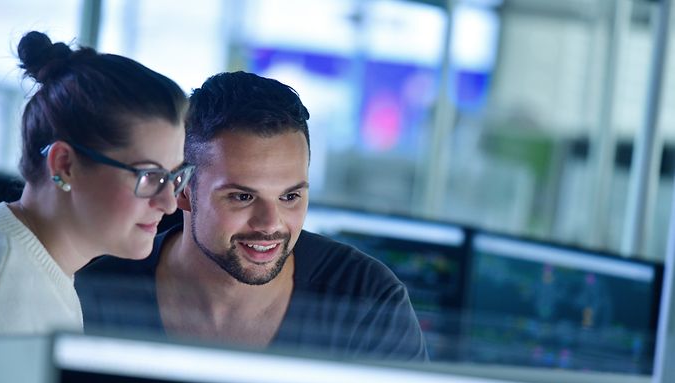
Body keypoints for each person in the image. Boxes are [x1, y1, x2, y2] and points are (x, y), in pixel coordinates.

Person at [76, 71, 428, 361]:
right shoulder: (97, 288)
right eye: (242, 197)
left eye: (290, 196)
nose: (271, 224)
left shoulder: (365, 298)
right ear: (183, 189)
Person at [0, 31, 194, 335]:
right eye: (150, 176)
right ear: (65, 165)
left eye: (174, 176)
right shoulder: (4, 300)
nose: (169, 202)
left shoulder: (30, 267)